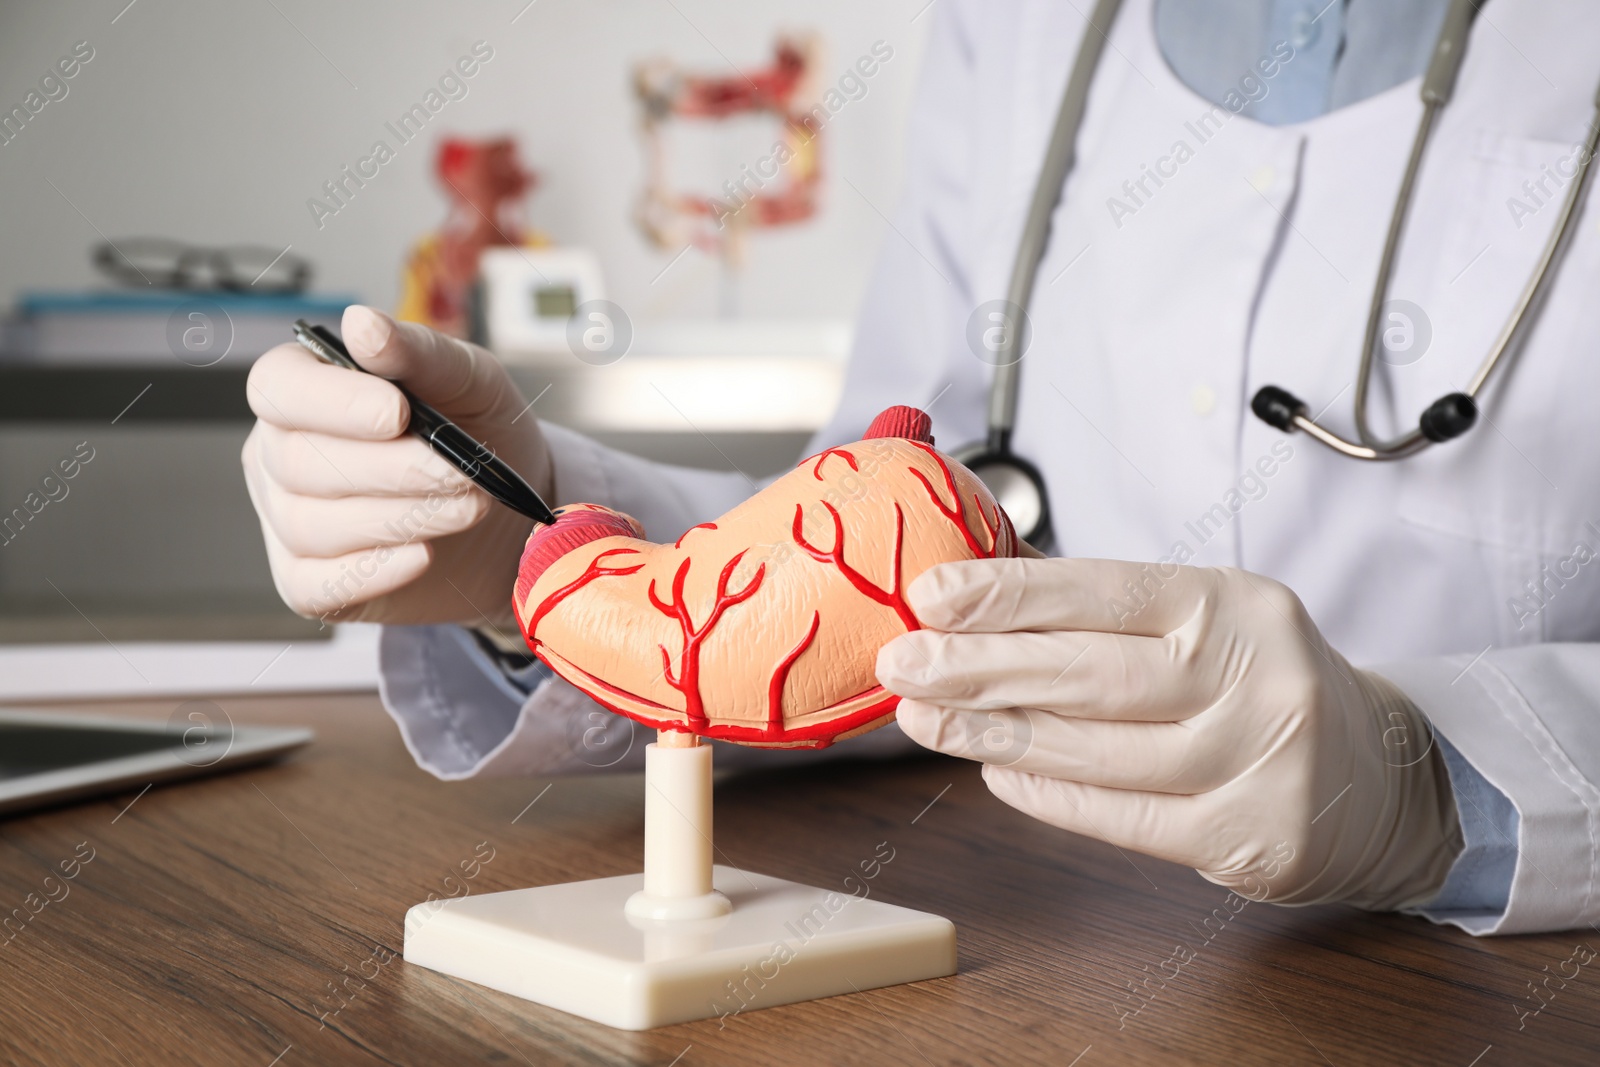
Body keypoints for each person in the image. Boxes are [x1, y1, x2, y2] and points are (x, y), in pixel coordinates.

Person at [241, 0, 1600, 935]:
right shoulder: (1019, 26)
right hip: (1039, 949)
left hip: (1491, 985)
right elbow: (876, 549)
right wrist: (527, 537)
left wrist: (1442, 783)